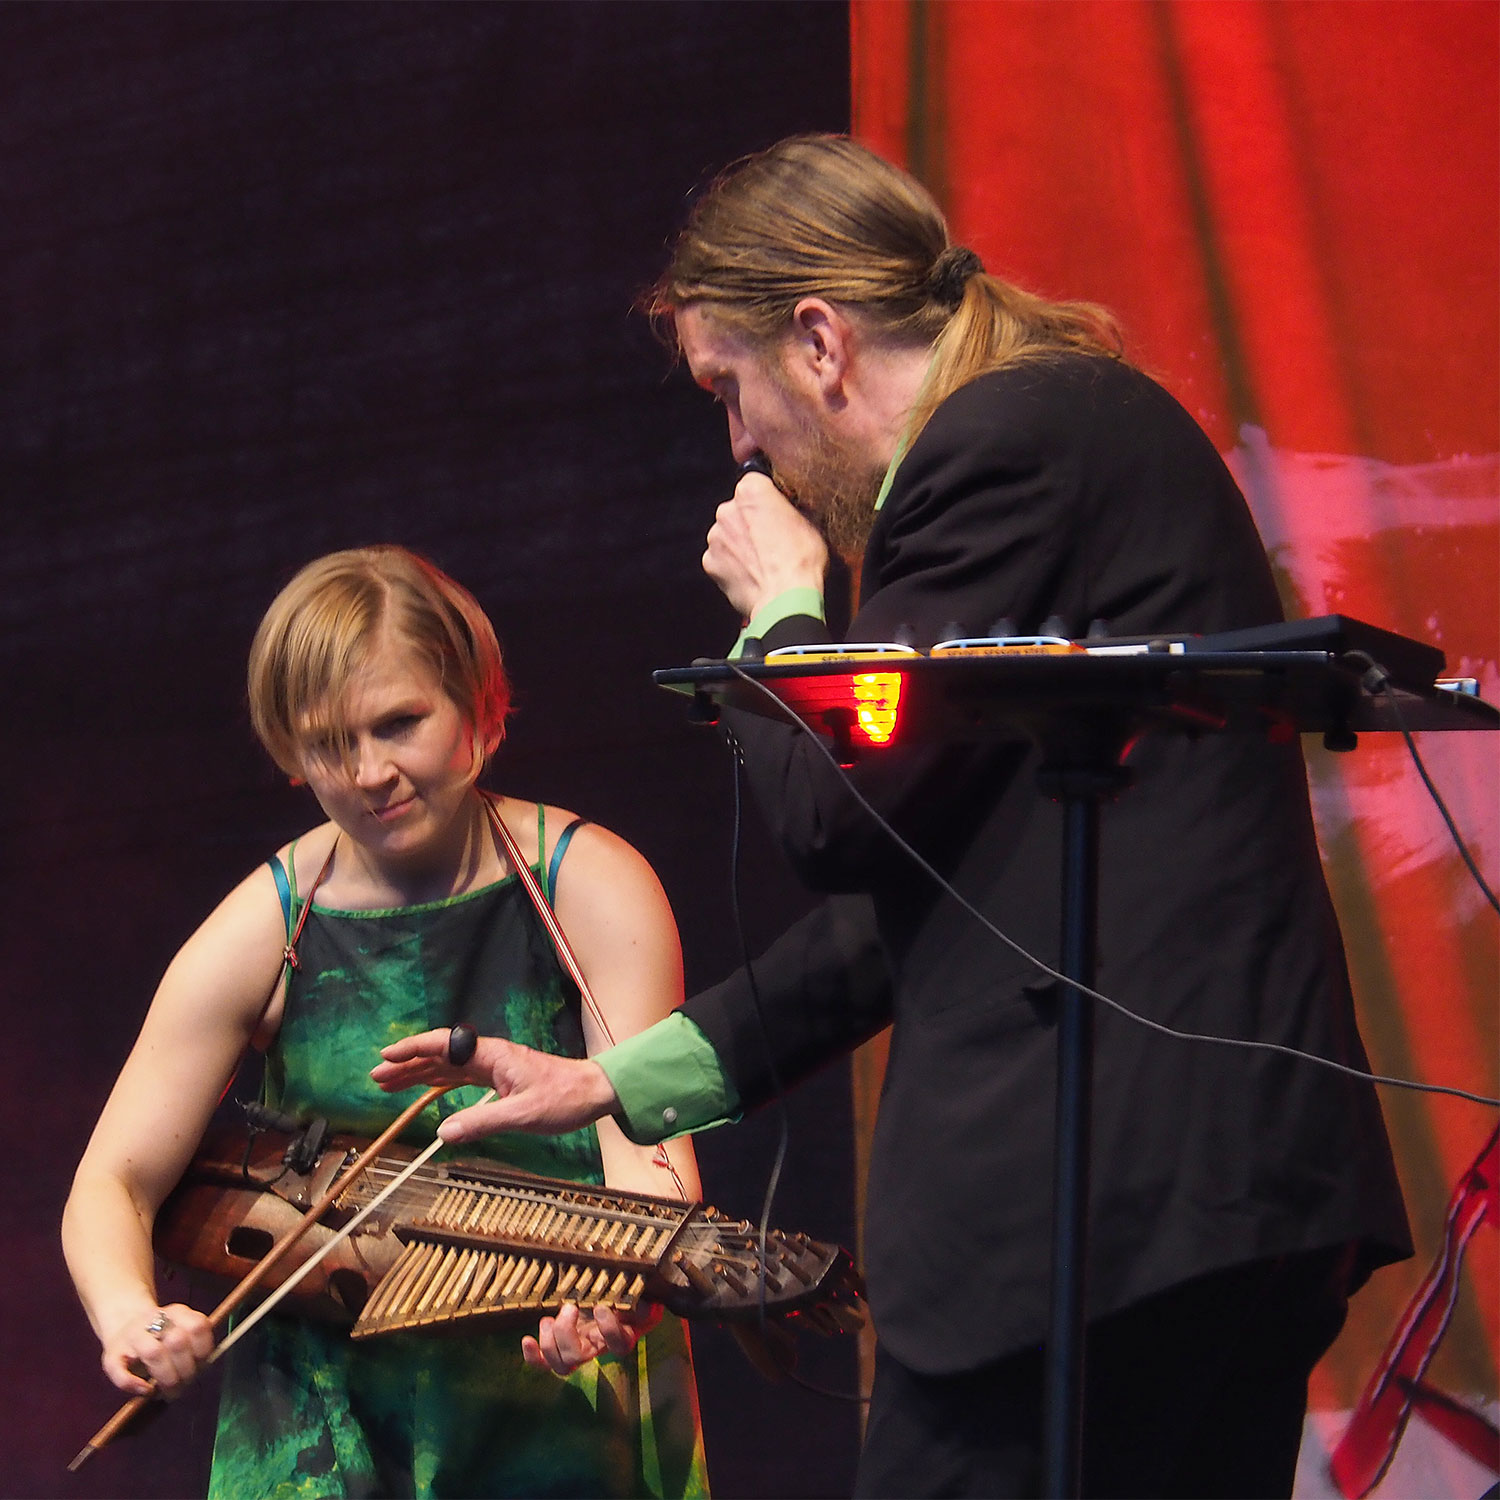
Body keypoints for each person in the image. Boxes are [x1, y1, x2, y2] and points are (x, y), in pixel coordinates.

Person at [372, 136, 1412, 1498]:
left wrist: (783, 619)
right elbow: (940, 879)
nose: (737, 442)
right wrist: (615, 1083)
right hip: (1198, 1204)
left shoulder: (1000, 447)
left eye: (726, 389)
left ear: (818, 341)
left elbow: (842, 824)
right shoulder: (1057, 434)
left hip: (1103, 1210)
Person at [62, 545, 708, 1500]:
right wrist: (131, 1318)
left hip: (556, 1408)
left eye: (400, 723)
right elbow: (111, 1182)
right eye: (328, 744)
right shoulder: (266, 924)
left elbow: (651, 1166)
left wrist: (614, 1301)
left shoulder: (593, 885)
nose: (369, 773)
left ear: (480, 706)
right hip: (318, 1432)